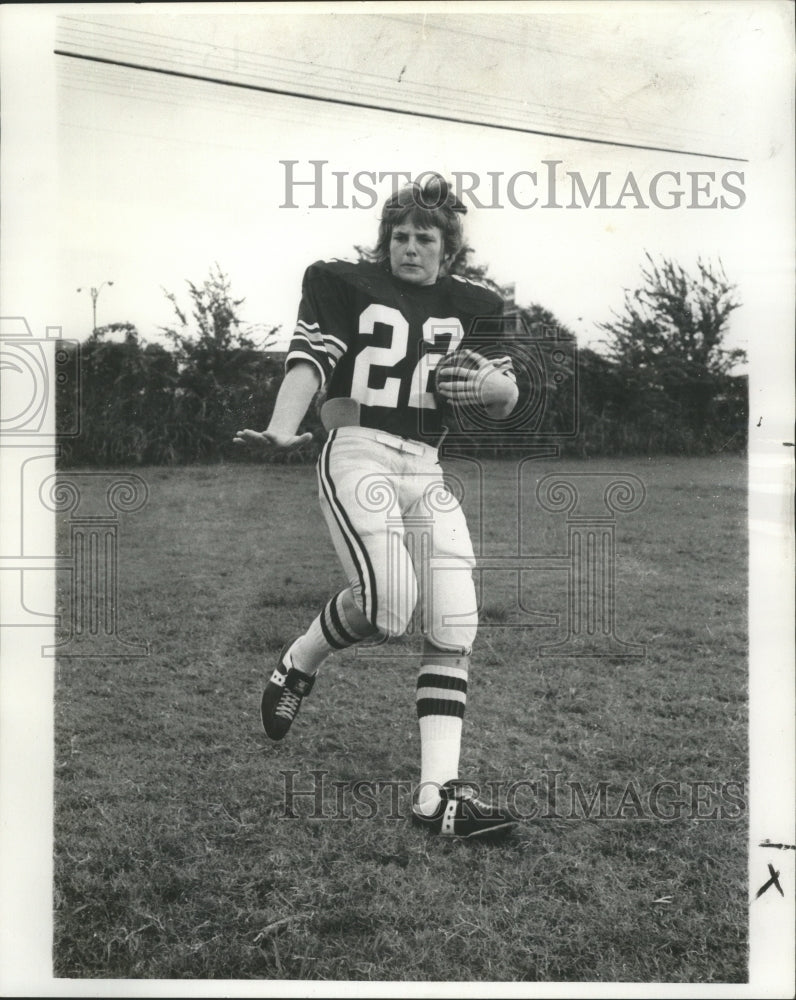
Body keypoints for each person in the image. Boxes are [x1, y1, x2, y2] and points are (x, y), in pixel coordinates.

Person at [235, 174, 520, 839]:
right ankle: (299, 660)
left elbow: (506, 394)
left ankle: (437, 799)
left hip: (427, 463)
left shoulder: (475, 303)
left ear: (449, 248)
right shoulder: (342, 282)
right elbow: (310, 356)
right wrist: (284, 423)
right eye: (400, 234)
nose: (410, 246)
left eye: (425, 236)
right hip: (358, 452)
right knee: (390, 608)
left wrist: (491, 385)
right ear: (385, 240)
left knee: (455, 622)